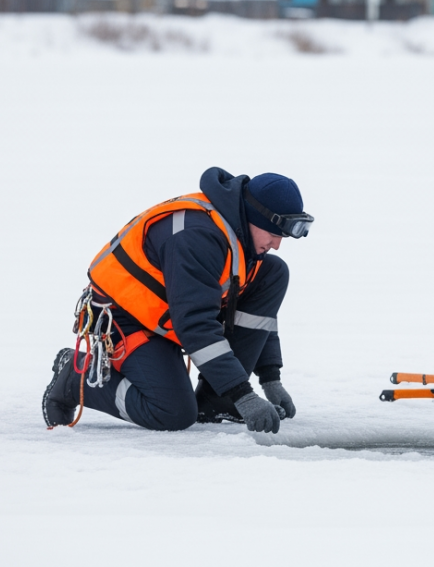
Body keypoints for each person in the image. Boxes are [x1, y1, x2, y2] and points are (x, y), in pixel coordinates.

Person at [41, 167, 312, 433]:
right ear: (253, 218)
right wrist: (244, 394)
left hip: (167, 316)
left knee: (272, 272)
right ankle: (75, 376)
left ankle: (219, 400)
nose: (277, 244)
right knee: (173, 412)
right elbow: (195, 325)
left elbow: (251, 314)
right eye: (274, 234)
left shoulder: (240, 236)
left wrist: (270, 377)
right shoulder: (197, 238)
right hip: (125, 317)